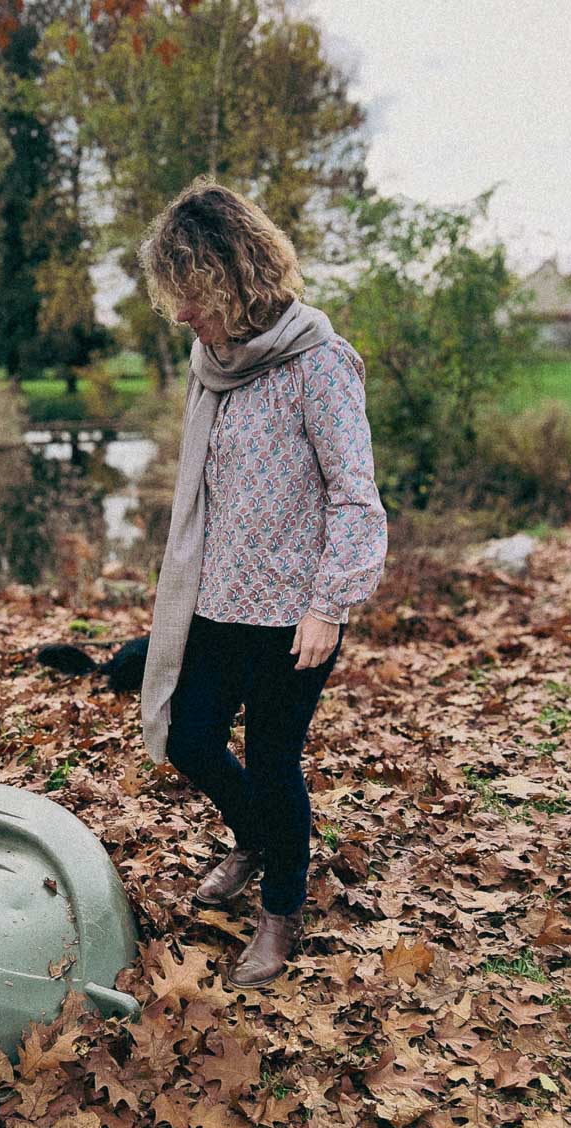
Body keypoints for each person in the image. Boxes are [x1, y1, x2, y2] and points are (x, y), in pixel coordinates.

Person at [137, 175, 388, 988]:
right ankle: (255, 837)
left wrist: (329, 604)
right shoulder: (210, 363)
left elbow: (355, 493)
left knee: (274, 758)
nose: (179, 311)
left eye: (188, 291)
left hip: (294, 616)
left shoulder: (321, 364)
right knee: (188, 736)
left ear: (231, 277)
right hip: (217, 601)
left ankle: (281, 909)